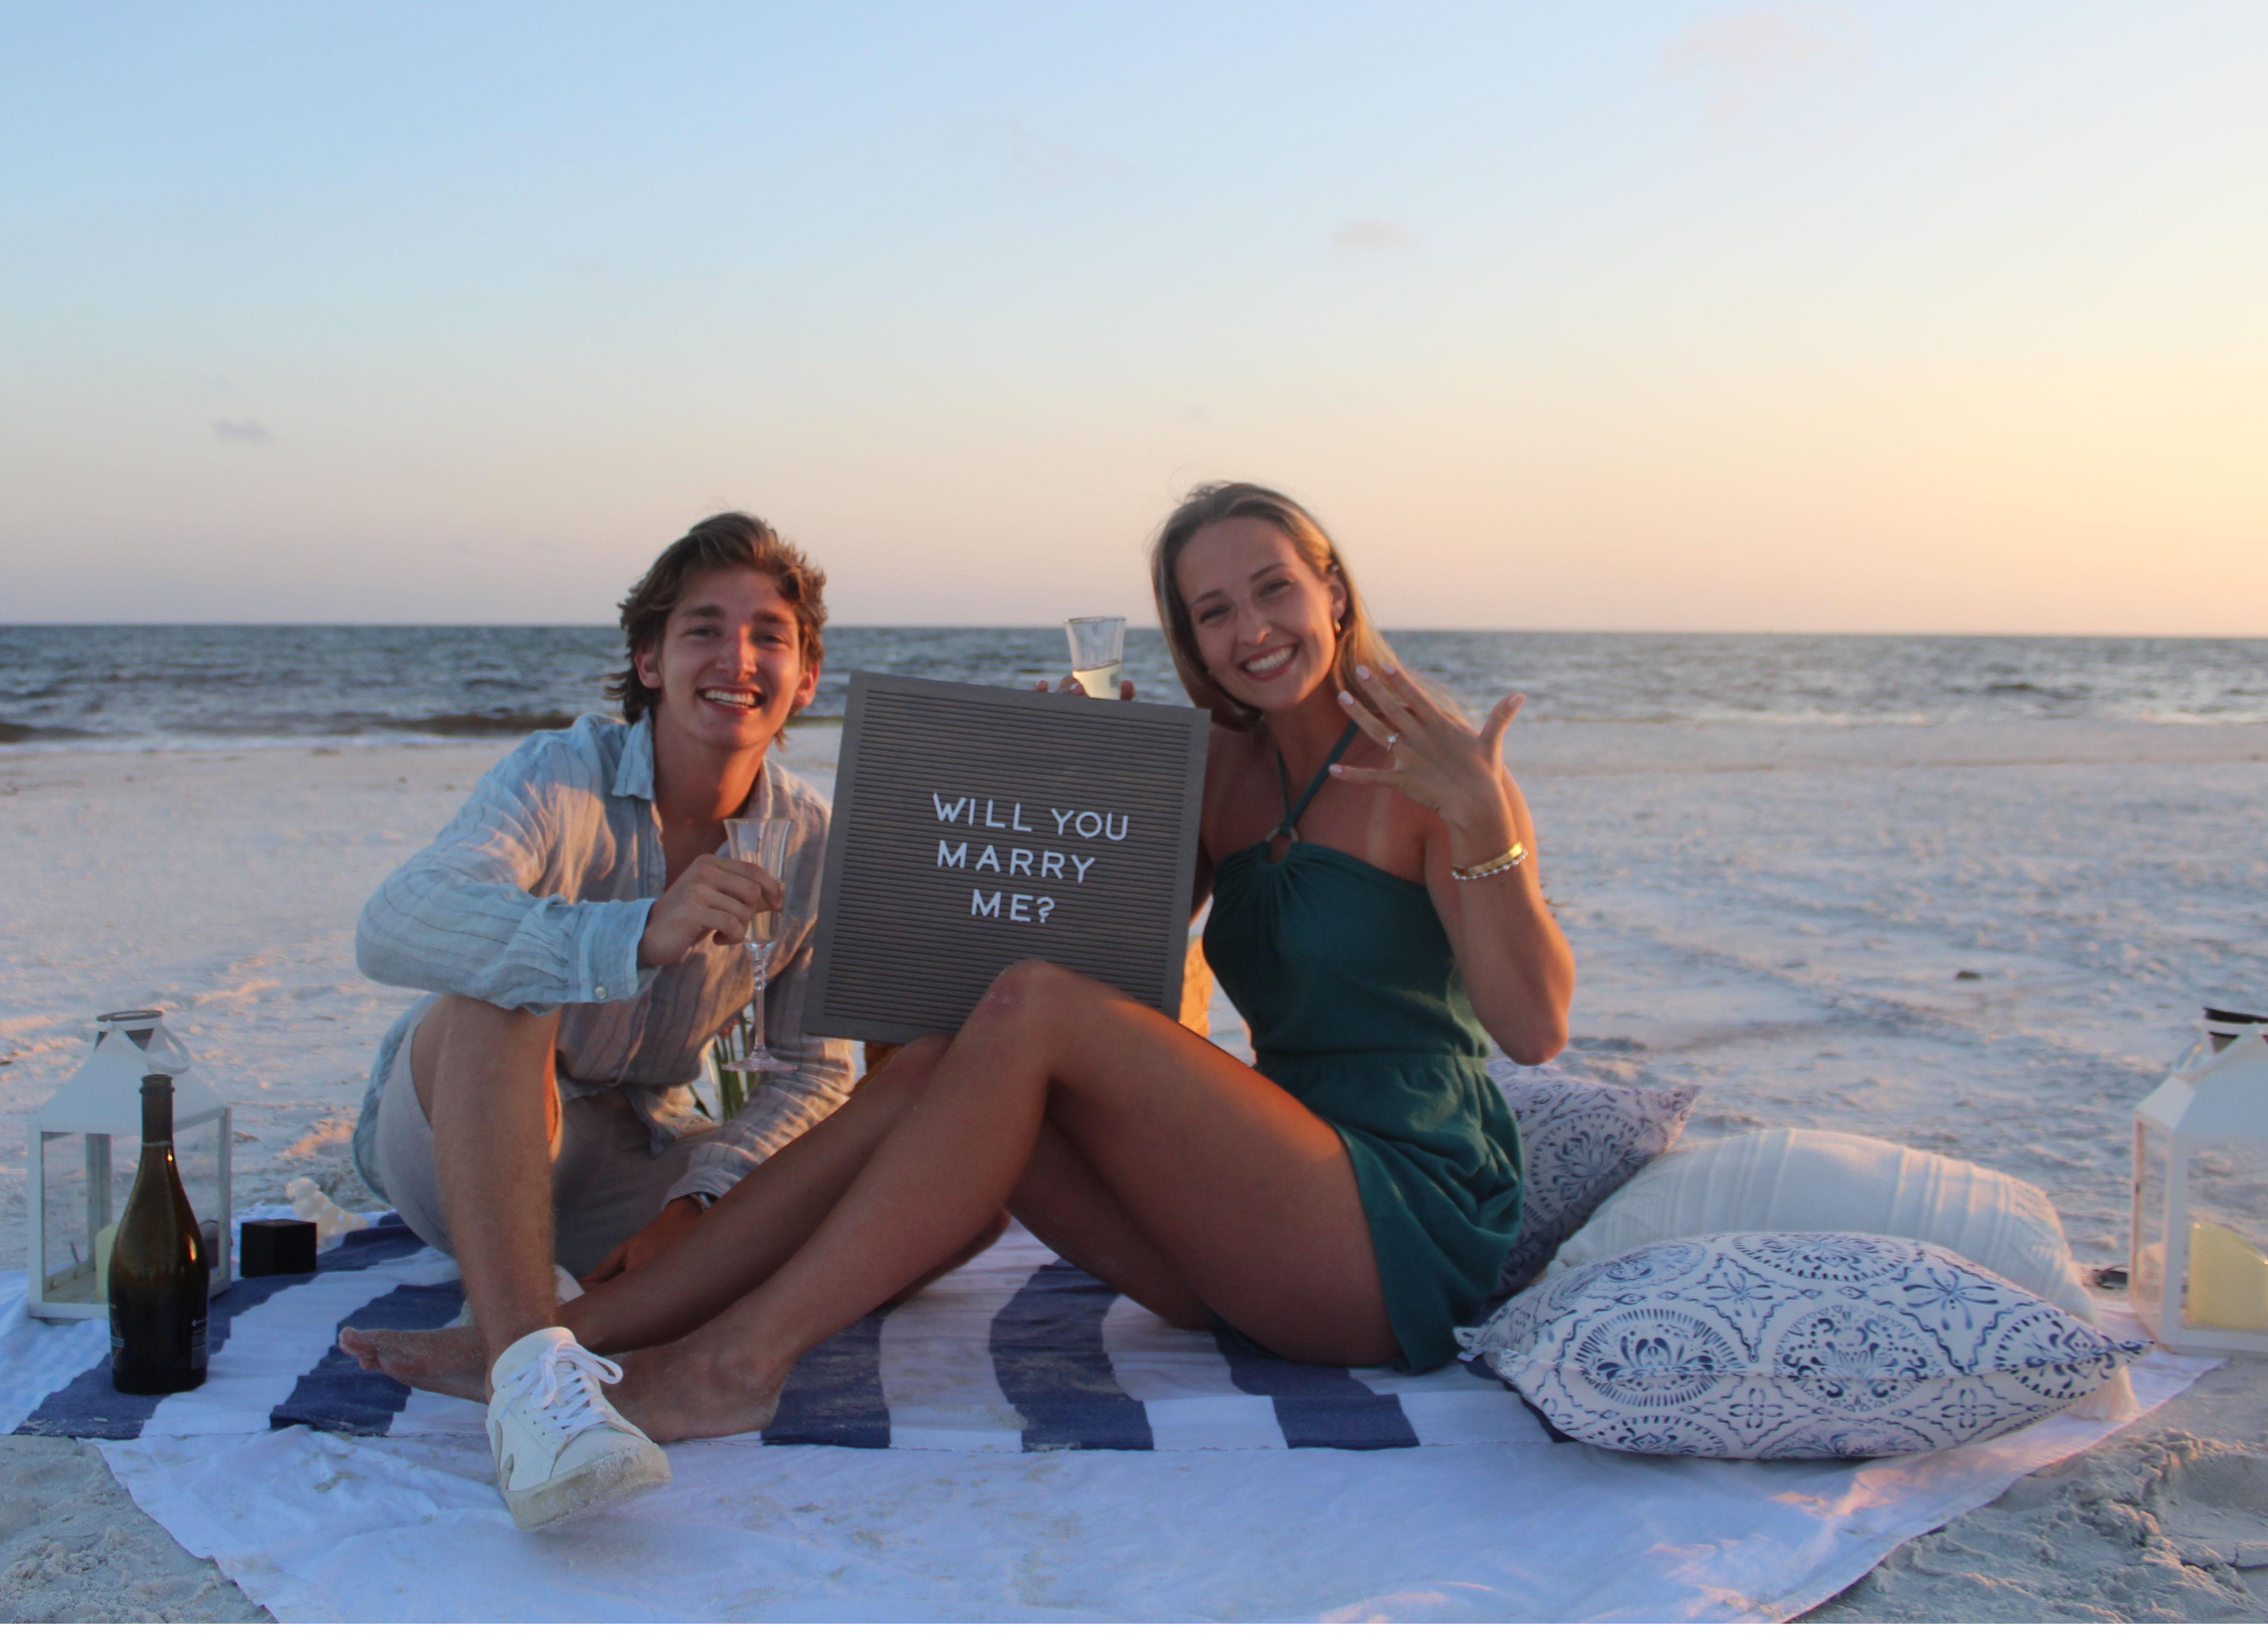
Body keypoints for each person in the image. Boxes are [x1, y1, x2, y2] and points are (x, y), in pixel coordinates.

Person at [343, 479, 1575, 1519]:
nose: (1251, 629)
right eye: (1213, 611)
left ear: (1333, 590)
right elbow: (1097, 956)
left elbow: (1535, 1029)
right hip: (1253, 1237)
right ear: (1188, 639)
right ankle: (567, 1340)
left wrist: (1487, 823)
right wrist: (1065, 778)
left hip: (1392, 1224)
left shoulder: (1436, 764)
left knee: (1027, 1012)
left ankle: (739, 1363)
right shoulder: (1220, 775)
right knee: (950, 1060)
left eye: (1273, 591)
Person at [338, 510, 850, 1528]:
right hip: (458, 1133)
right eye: (703, 630)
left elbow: (813, 1070)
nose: (737, 660)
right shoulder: (559, 774)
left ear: (805, 679)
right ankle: (533, 1392)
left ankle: (522, 1326)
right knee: (508, 978)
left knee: (865, 1173)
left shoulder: (809, 840)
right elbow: (394, 923)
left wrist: (698, 1205)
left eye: (769, 637)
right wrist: (629, 934)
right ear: (649, 662)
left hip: (634, 1149)